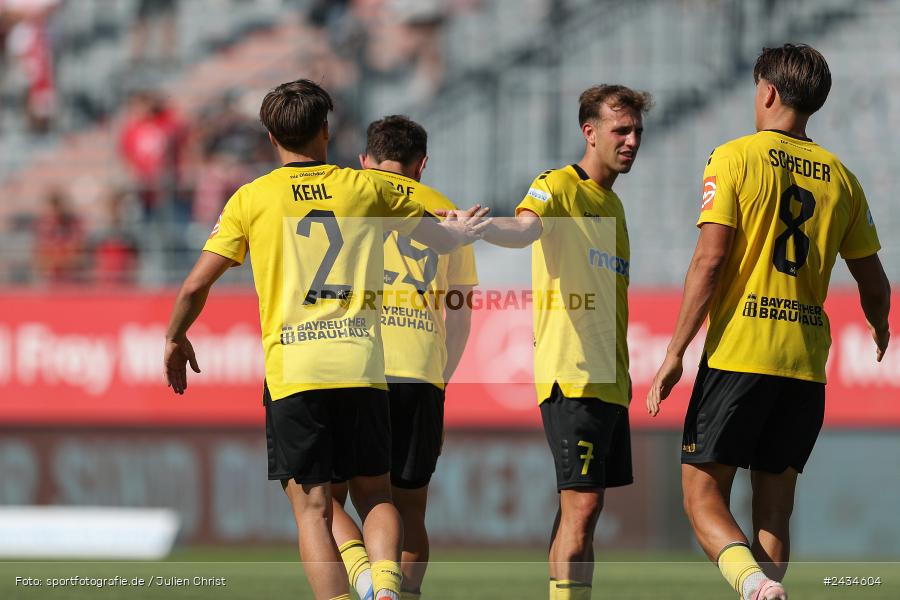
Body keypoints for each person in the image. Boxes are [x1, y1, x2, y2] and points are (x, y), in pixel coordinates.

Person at [163, 79, 488, 600]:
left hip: (296, 371)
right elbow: (439, 235)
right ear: (326, 130)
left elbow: (195, 283)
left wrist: (175, 336)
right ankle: (385, 589)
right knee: (377, 494)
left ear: (270, 136)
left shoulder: (251, 198)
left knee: (314, 510)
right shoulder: (366, 188)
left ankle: (348, 591)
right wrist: (461, 230)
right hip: (362, 364)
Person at [646, 44, 891, 600]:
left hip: (740, 352)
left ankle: (753, 585)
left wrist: (675, 351)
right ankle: (765, 586)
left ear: (768, 92)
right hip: (805, 362)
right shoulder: (844, 179)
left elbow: (709, 261)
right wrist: (879, 327)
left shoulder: (733, 157)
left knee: (702, 494)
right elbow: (875, 284)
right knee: (774, 509)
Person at [451, 84, 651, 599]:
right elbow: (523, 229)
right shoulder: (558, 184)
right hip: (574, 375)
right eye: (620, 130)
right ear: (589, 132)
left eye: (637, 131)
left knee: (584, 510)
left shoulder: (615, 208)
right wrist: (481, 230)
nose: (631, 141)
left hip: (610, 381)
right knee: (581, 508)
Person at [330, 115, 478, 600]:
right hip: (418, 372)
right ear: (422, 165)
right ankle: (396, 594)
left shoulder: (346, 196)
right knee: (409, 510)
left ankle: (367, 579)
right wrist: (440, 379)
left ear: (364, 160)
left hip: (354, 364)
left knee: (322, 499)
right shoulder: (446, 212)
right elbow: (458, 314)